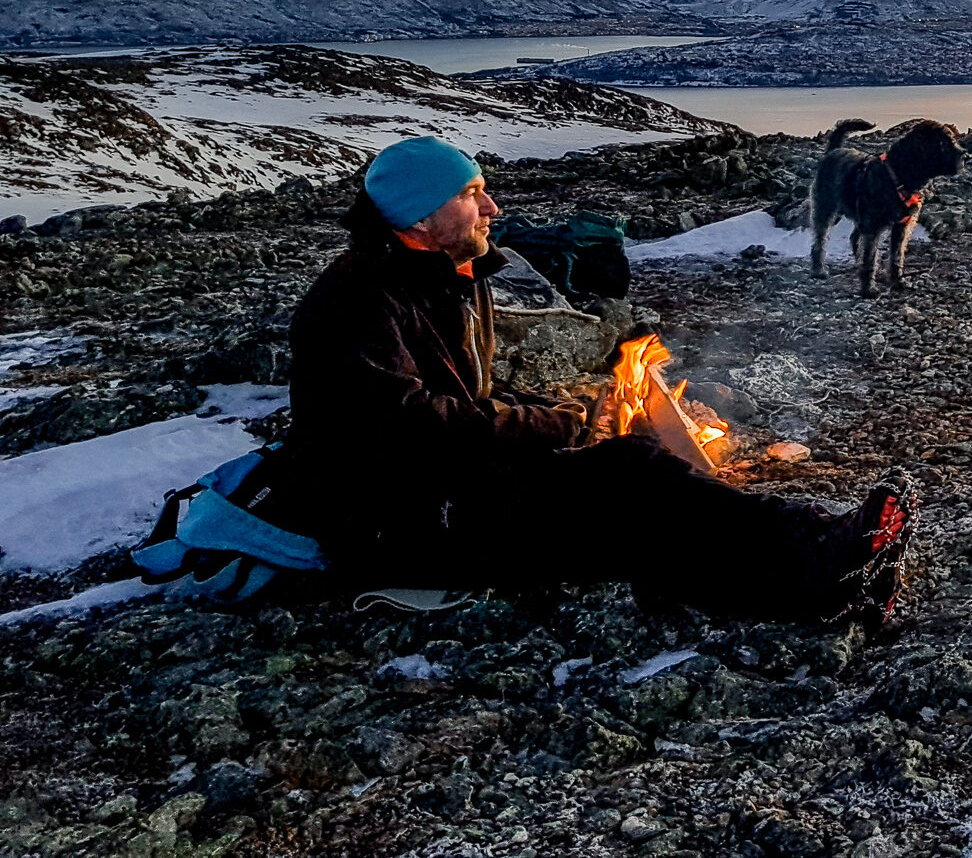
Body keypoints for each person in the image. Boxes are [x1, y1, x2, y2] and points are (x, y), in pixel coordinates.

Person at [280, 135, 909, 623]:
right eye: (472, 194)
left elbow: (458, 401)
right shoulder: (355, 300)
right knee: (629, 500)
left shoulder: (443, 277)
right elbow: (408, 425)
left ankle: (825, 555)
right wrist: (542, 424)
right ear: (419, 218)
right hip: (399, 522)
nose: (491, 207)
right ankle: (823, 566)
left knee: (629, 478)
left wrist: (544, 417)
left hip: (443, 485)